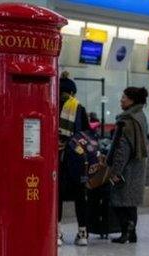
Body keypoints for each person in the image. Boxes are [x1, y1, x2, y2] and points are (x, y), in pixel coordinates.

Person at [108, 87, 149, 244]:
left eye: (124, 97)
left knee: (119, 201)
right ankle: (132, 233)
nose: (121, 100)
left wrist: (116, 171)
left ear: (132, 101)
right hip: (138, 166)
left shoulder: (127, 121)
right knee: (131, 203)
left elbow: (122, 149)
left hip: (127, 168)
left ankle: (126, 231)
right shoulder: (141, 117)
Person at [58, 72, 90, 246]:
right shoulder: (79, 108)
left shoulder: (52, 104)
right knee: (80, 196)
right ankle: (83, 233)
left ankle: (57, 233)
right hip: (77, 160)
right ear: (73, 92)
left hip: (57, 159)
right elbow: (86, 134)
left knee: (58, 196)